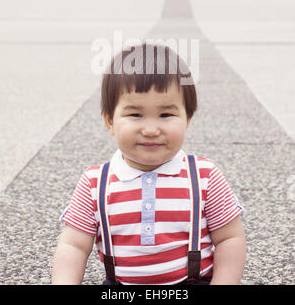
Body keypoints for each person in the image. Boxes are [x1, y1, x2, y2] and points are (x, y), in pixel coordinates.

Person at [52, 43, 246, 286]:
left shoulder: (204, 176)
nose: (152, 129)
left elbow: (229, 238)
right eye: (135, 114)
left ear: (187, 119)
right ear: (110, 120)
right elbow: (74, 246)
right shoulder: (95, 183)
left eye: (166, 115)